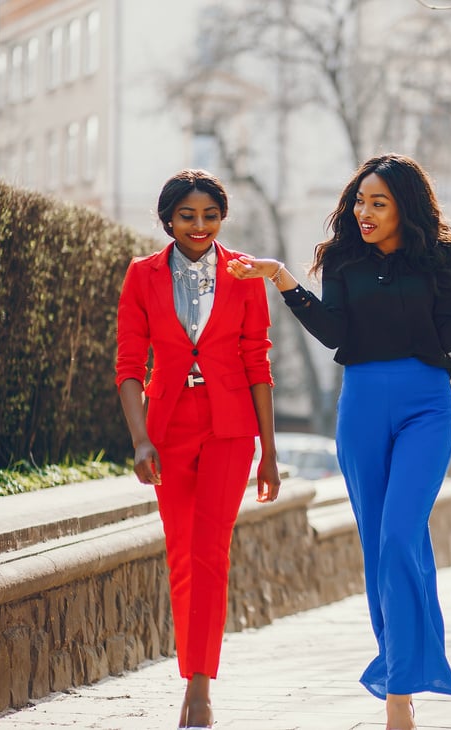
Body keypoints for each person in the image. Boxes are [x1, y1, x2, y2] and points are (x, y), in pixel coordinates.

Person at [227, 153, 451, 730]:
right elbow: (334, 333)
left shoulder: (439, 259)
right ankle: (399, 691)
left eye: (378, 202)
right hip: (362, 407)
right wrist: (282, 280)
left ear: (406, 206)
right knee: (378, 547)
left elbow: (449, 332)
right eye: (360, 202)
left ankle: (402, 679)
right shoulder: (342, 260)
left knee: (402, 536)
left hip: (427, 403)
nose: (365, 212)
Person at [115, 169, 280, 729]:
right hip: (167, 431)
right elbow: (129, 365)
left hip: (231, 429)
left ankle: (202, 688)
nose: (200, 225)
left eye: (210, 215)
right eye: (188, 215)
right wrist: (140, 439)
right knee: (182, 554)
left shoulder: (245, 274)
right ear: (168, 219)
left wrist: (271, 454)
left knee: (211, 552)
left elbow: (259, 362)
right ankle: (192, 674)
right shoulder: (142, 275)